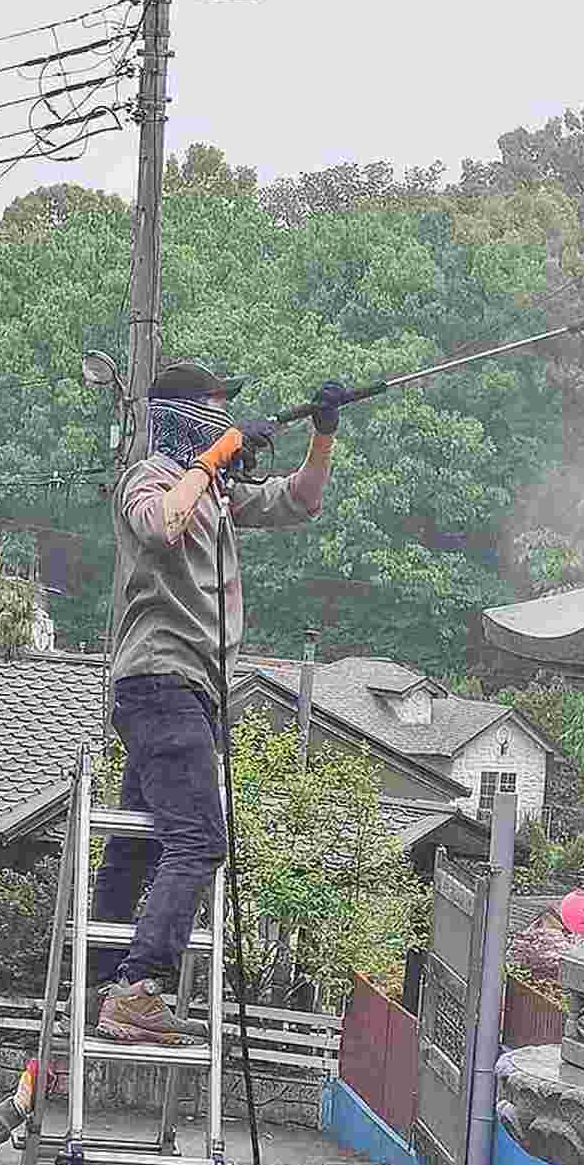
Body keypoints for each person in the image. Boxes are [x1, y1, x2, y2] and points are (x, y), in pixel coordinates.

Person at [91, 361, 349, 1046]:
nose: (224, 416)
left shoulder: (218, 493)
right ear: (183, 416)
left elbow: (300, 501)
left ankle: (98, 981)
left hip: (192, 689)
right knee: (200, 840)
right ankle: (138, 986)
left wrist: (322, 432)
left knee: (133, 846)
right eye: (214, 407)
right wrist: (213, 460)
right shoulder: (148, 477)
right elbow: (160, 526)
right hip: (161, 679)